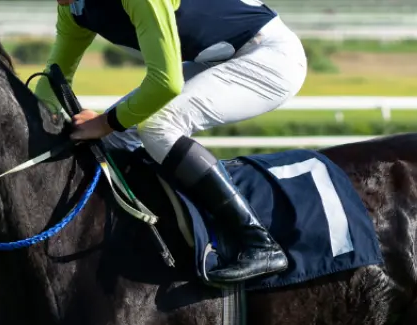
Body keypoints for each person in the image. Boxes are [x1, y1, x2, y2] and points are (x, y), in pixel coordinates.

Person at [36, 0, 308, 284]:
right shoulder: (74, 8)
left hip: (270, 57)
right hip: (219, 58)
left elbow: (166, 83)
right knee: (116, 137)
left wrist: (103, 122)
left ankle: (260, 243)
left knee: (158, 126)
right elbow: (53, 81)